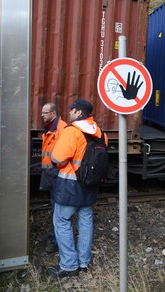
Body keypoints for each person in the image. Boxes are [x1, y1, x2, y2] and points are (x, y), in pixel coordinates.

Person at [46, 98, 107, 278]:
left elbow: (57, 158)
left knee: (62, 222)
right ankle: (84, 262)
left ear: (79, 112)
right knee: (85, 221)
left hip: (70, 185)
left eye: (72, 110)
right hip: (90, 185)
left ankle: (69, 265)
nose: (69, 112)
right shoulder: (101, 133)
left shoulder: (72, 131)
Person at [40, 102, 67, 253]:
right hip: (51, 174)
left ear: (53, 113)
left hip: (57, 175)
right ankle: (55, 238)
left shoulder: (62, 129)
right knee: (55, 209)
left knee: (57, 211)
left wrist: (57, 171)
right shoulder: (51, 128)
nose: (42, 115)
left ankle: (56, 241)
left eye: (45, 112)